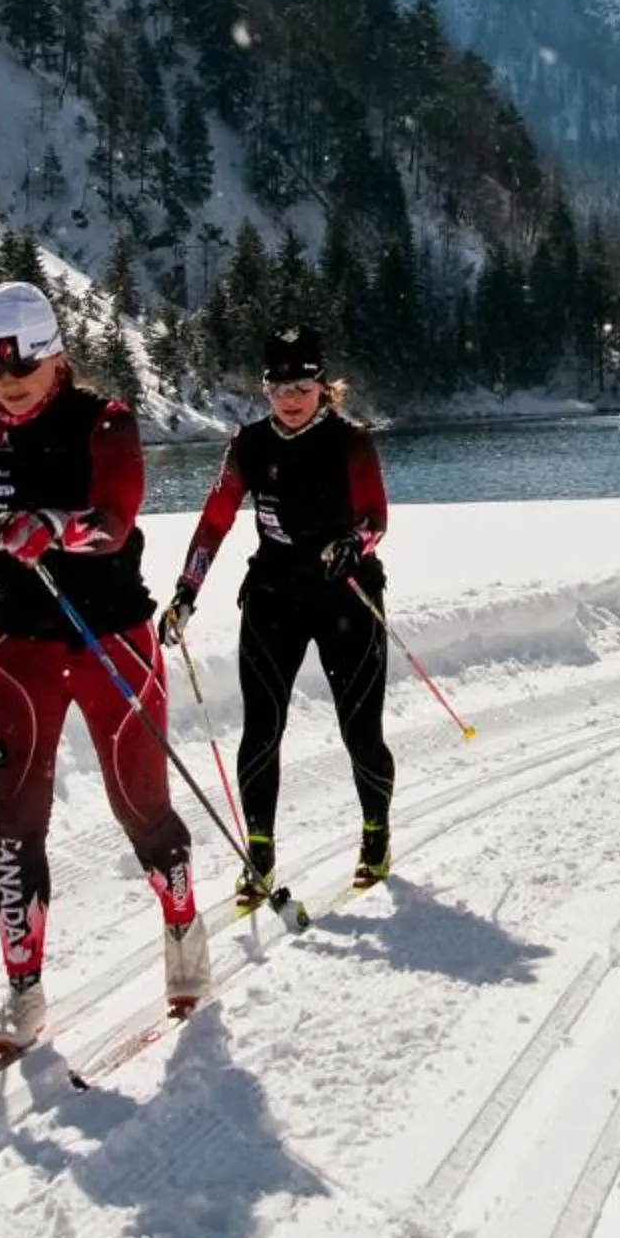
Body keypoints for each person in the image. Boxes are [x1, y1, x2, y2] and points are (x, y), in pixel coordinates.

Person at [0, 278, 209, 1049]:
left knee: (139, 805)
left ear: (56, 359)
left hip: (111, 637)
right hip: (21, 650)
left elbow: (115, 520)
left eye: (23, 370)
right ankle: (24, 991)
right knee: (17, 826)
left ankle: (181, 926)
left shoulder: (105, 422)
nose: (8, 387)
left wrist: (55, 528)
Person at [160, 325, 393, 907]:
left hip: (346, 597)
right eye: (278, 385)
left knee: (359, 731)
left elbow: (376, 519)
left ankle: (375, 837)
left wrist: (354, 545)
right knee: (261, 730)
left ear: (322, 386)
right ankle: (258, 855)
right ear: (265, 388)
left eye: (302, 384)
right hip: (273, 598)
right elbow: (214, 520)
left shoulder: (352, 442)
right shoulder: (248, 444)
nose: (290, 397)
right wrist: (186, 591)